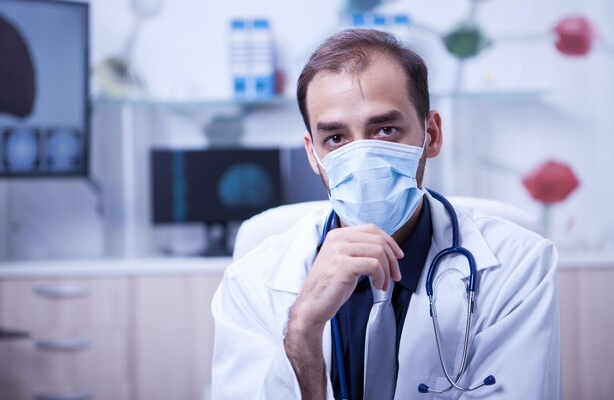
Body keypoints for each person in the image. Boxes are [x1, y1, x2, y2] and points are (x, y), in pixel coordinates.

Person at [211, 28, 559, 400]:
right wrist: (301, 330)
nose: (361, 157)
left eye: (385, 130)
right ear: (313, 154)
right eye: (336, 138)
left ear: (432, 134)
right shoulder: (252, 281)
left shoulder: (518, 266)